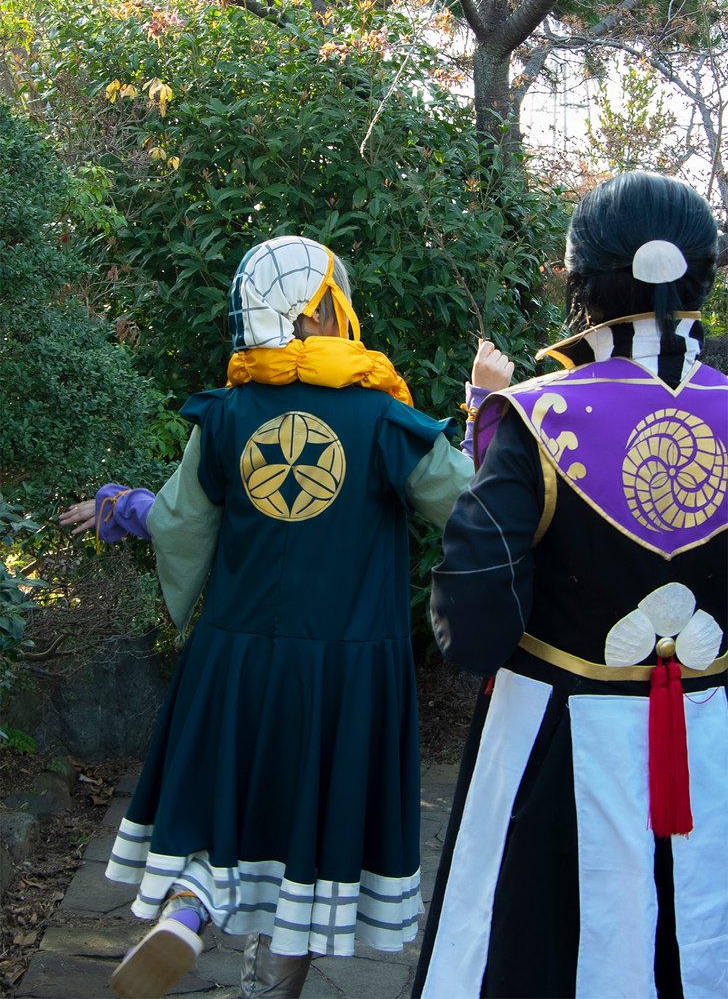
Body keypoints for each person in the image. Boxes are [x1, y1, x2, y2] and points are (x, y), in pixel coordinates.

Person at [59, 234, 512, 999]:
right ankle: (269, 986)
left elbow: (176, 522)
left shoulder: (227, 415)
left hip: (233, 659)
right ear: (319, 310)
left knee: (229, 794)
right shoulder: (384, 423)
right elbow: (477, 510)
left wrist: (120, 507)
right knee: (310, 839)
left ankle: (191, 904)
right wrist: (485, 405)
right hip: (345, 669)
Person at [413, 172, 727, 999]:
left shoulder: (533, 416)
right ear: (704, 275)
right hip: (718, 741)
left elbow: (473, 624)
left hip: (554, 750)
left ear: (580, 278)